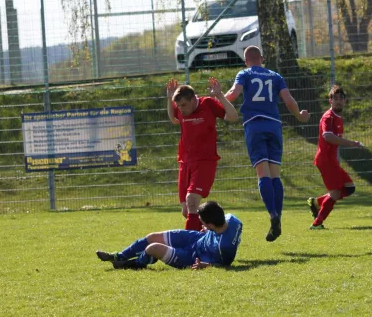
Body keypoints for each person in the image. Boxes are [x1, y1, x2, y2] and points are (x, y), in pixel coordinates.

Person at [225, 45, 310, 242]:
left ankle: (272, 214)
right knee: (275, 174)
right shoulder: (275, 76)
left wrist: (215, 100)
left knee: (262, 173)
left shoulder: (244, 73)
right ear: (262, 58)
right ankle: (277, 216)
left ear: (246, 61)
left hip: (254, 125)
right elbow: (288, 100)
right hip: (274, 126)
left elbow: (233, 94)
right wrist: (299, 115)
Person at [166, 77, 239, 231]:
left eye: (184, 105)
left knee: (192, 201)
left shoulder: (208, 104)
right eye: (178, 106)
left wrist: (219, 96)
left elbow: (233, 116)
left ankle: (189, 246)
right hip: (185, 162)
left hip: (205, 161)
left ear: (193, 99)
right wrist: (169, 98)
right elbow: (173, 119)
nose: (181, 109)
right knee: (187, 211)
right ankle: (216, 235)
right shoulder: (181, 109)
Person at [96, 201, 242, 270]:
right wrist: (209, 231)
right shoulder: (232, 220)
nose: (201, 223)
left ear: (210, 224)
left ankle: (133, 264)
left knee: (152, 248)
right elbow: (229, 228)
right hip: (196, 238)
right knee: (152, 236)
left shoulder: (224, 246)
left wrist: (207, 265)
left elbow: (226, 263)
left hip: (192, 256)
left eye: (202, 222)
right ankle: (119, 256)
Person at [307, 85, 364, 230]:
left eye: (341, 99)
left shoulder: (338, 118)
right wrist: (351, 143)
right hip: (325, 160)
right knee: (336, 193)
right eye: (335, 99)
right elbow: (328, 136)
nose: (338, 101)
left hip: (331, 160)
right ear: (330, 101)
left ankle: (317, 203)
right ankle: (317, 224)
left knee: (349, 188)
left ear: (345, 101)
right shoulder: (328, 117)